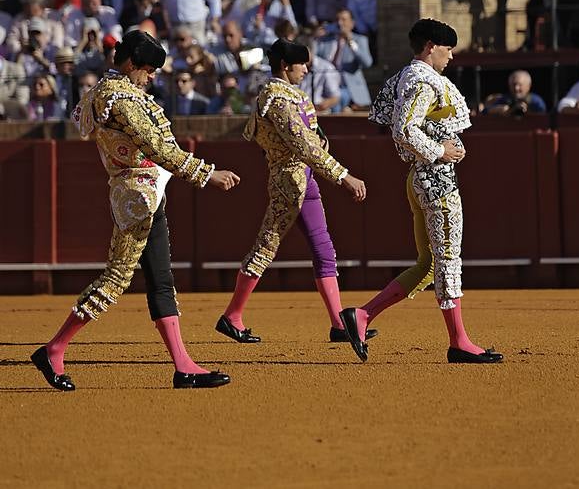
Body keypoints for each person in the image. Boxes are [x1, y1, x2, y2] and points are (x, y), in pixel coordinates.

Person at [31, 30, 240, 392]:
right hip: (136, 196)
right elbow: (156, 146)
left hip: (145, 192)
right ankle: (54, 348)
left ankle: (183, 366)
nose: (153, 76)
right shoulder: (121, 99)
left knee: (161, 280)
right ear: (129, 64)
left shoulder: (102, 93)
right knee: (115, 279)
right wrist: (207, 174)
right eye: (148, 69)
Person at [340, 18, 503, 365]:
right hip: (436, 180)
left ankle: (363, 315)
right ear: (431, 47)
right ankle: (459, 341)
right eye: (447, 49)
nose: (451, 57)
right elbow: (403, 129)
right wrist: (440, 151)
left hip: (421, 179)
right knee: (447, 261)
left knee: (428, 265)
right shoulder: (424, 81)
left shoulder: (405, 77)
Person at [215, 37, 369, 345]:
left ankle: (339, 324)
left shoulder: (287, 96)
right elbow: (302, 144)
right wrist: (344, 176)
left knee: (324, 249)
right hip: (288, 181)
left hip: (304, 178)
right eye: (303, 64)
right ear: (286, 66)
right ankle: (232, 316)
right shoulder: (276, 99)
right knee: (266, 247)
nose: (307, 69)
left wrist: (318, 145)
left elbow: (307, 140)